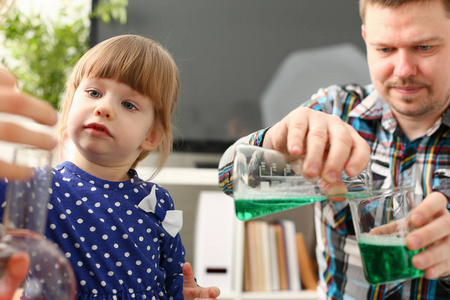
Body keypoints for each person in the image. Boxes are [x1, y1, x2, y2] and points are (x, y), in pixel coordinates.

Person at [218, 0, 450, 299]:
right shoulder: (334, 108)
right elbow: (229, 183)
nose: (403, 70)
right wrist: (273, 142)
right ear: (366, 39)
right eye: (385, 49)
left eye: (424, 47)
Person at [0, 34, 220, 299]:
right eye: (94, 92)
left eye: (128, 104)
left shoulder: (158, 201)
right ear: (70, 106)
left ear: (151, 135)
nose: (104, 108)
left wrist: (186, 292)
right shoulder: (35, 184)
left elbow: (174, 275)